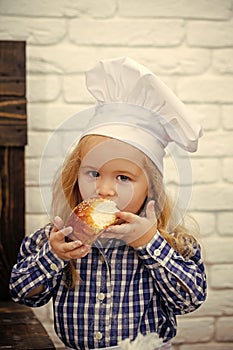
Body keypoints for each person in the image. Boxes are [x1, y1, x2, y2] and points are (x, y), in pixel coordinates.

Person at [10, 57, 207, 350]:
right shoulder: (54, 239)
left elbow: (189, 300)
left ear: (151, 187)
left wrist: (148, 242)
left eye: (123, 177)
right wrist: (55, 255)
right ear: (74, 176)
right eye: (93, 173)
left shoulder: (172, 242)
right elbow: (24, 295)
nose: (104, 189)